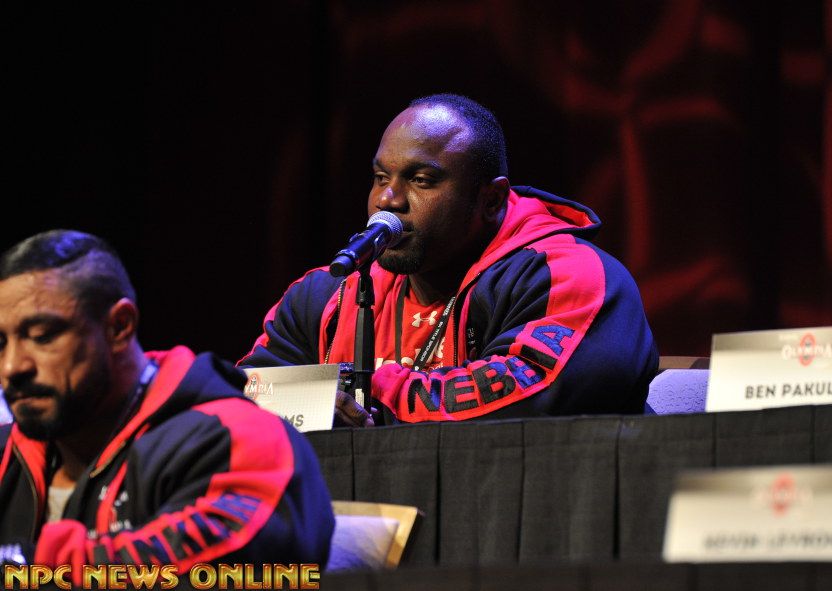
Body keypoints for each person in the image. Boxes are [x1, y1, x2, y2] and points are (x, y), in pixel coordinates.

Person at [240, 93, 659, 425]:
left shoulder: (567, 276)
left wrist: (364, 397)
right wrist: (310, 403)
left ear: (491, 199)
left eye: (421, 180)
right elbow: (243, 397)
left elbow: (530, 398)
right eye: (381, 178)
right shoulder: (328, 294)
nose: (389, 200)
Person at [0, 230, 334, 578]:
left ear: (119, 327)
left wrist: (25, 565)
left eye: (42, 336)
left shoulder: (239, 437)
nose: (12, 367)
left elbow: (233, 562)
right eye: (0, 343)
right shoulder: (8, 448)